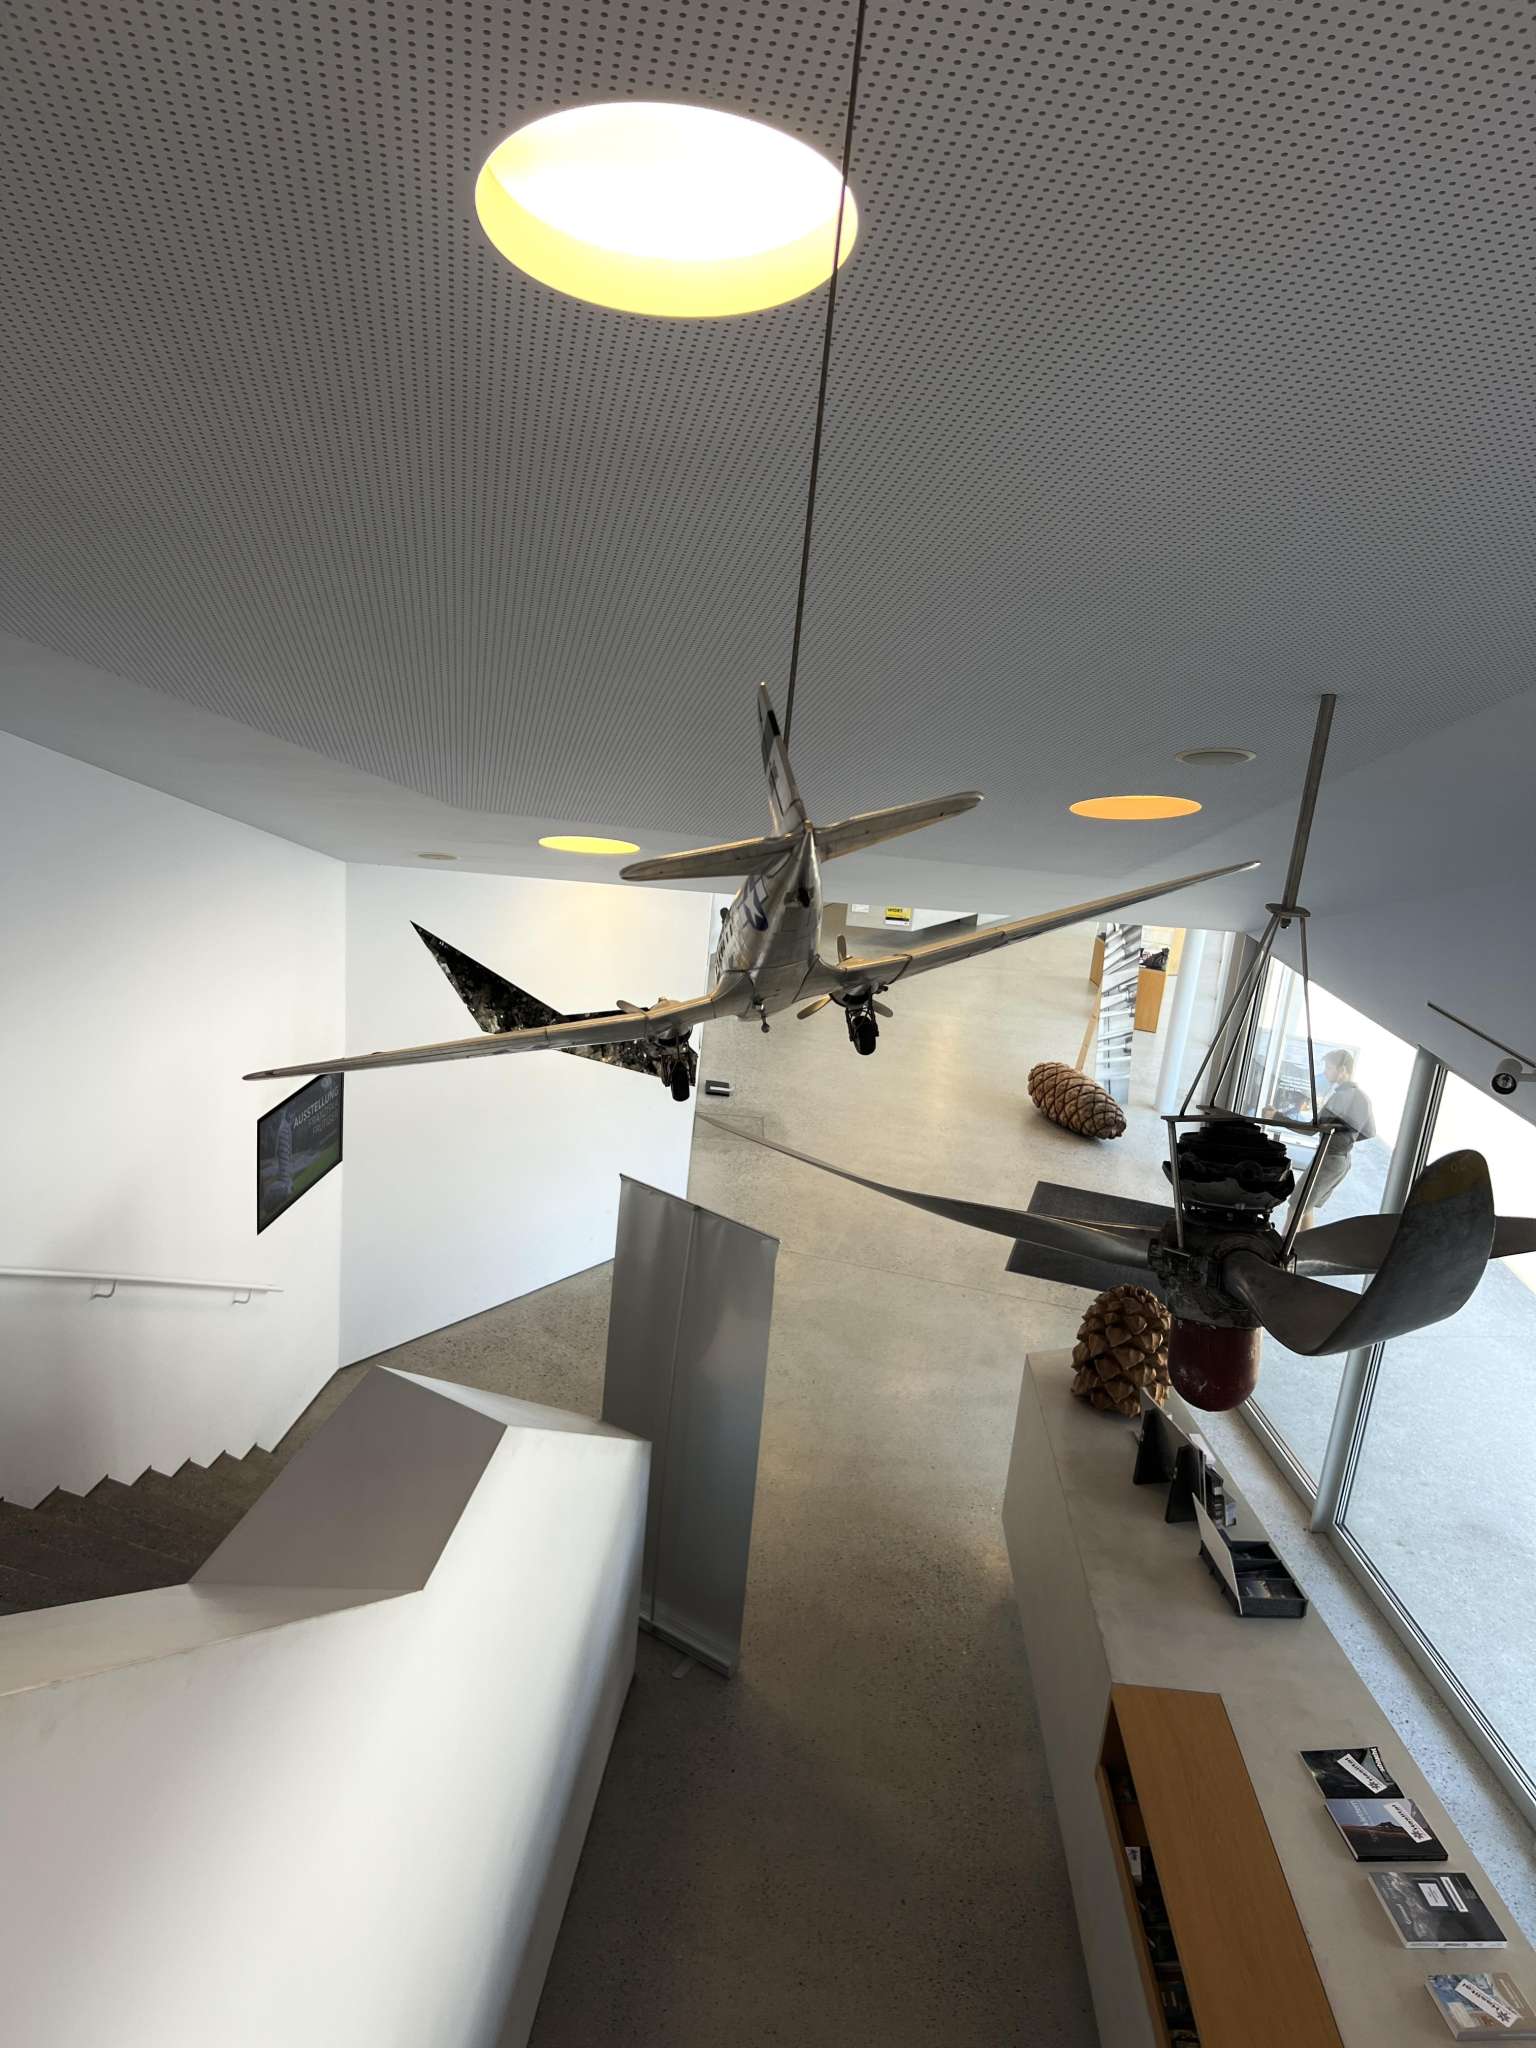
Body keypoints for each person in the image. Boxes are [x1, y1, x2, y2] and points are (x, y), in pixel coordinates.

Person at [1288, 1047, 1375, 1231]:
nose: (1325, 1072)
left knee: (1296, 1206)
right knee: (1306, 1207)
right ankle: (1306, 1246)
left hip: (1328, 1159)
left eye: (1328, 1068)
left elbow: (1310, 1129)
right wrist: (1344, 1137)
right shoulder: (1363, 1098)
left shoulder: (1341, 1097)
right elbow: (1369, 1132)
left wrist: (1277, 1117)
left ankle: (1281, 1248)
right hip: (1342, 1160)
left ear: (1342, 1070)